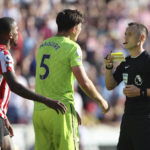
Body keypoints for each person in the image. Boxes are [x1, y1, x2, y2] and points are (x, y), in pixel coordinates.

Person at [33, 9, 109, 150]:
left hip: (40, 111)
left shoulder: (43, 46)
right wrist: (101, 100)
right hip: (60, 110)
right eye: (80, 28)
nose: (80, 31)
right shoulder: (72, 47)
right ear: (74, 29)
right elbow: (84, 81)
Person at [0, 17, 67, 150]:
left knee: (10, 148)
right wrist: (45, 100)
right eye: (17, 30)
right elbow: (15, 86)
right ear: (10, 34)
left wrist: (3, 116)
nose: (19, 35)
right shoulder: (4, 54)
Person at [104, 22, 150, 150]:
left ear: (142, 38)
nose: (125, 38)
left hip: (145, 120)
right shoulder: (126, 62)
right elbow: (109, 85)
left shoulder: (148, 60)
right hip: (127, 119)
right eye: (125, 34)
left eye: (130, 34)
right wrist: (109, 67)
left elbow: (140, 91)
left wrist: (140, 92)